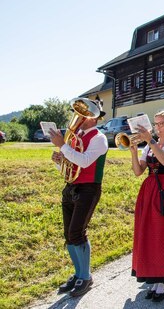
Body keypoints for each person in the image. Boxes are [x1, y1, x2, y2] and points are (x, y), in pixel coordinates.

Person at [49, 99, 108, 297]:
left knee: (77, 232)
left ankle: (86, 276)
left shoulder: (99, 138)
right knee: (69, 234)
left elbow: (83, 161)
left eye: (84, 115)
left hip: (89, 189)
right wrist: (60, 160)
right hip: (72, 187)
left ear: (93, 118)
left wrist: (62, 147)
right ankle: (78, 274)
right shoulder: (77, 137)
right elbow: (69, 167)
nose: (80, 119)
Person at [129, 110, 164, 302]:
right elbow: (138, 171)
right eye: (156, 123)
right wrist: (134, 152)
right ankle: (154, 275)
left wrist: (150, 140)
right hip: (149, 190)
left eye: (161, 123)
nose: (158, 127)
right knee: (149, 233)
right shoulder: (149, 147)